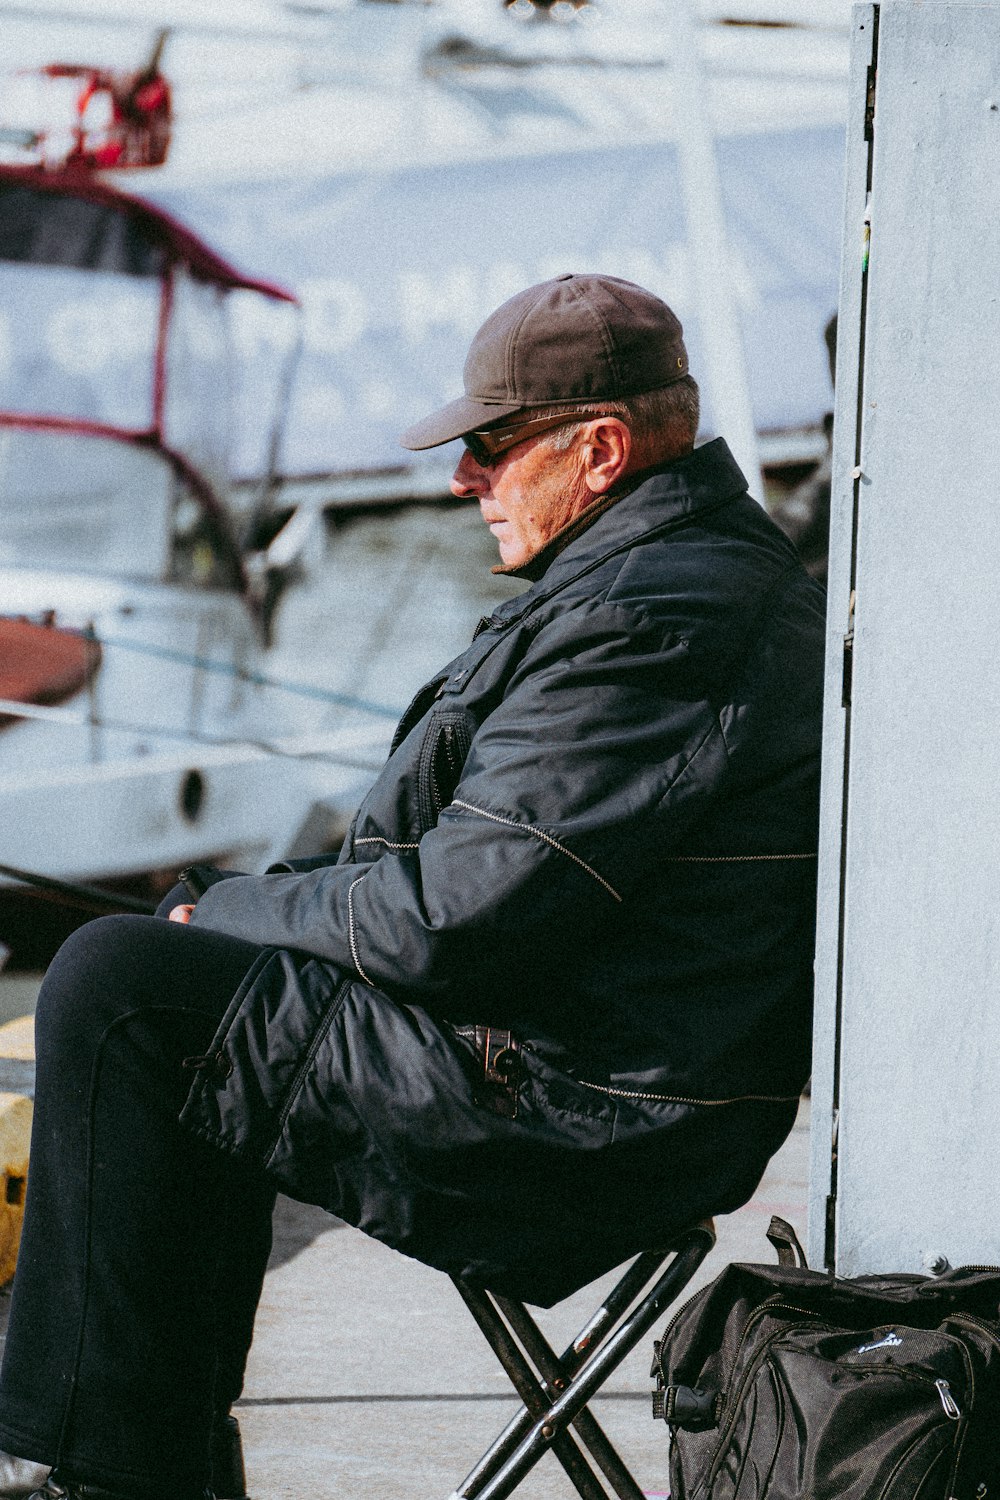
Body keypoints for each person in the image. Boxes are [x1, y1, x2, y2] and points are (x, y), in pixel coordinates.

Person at [0, 274, 826, 1500]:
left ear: (598, 449)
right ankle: (138, 1457)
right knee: (190, 980)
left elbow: (454, 920)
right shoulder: (673, 578)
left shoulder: (652, 615)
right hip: (604, 1070)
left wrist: (220, 911)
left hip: (588, 1116)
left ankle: (99, 1467)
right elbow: (475, 881)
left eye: (488, 451)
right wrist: (236, 906)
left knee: (127, 989)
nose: (461, 483)